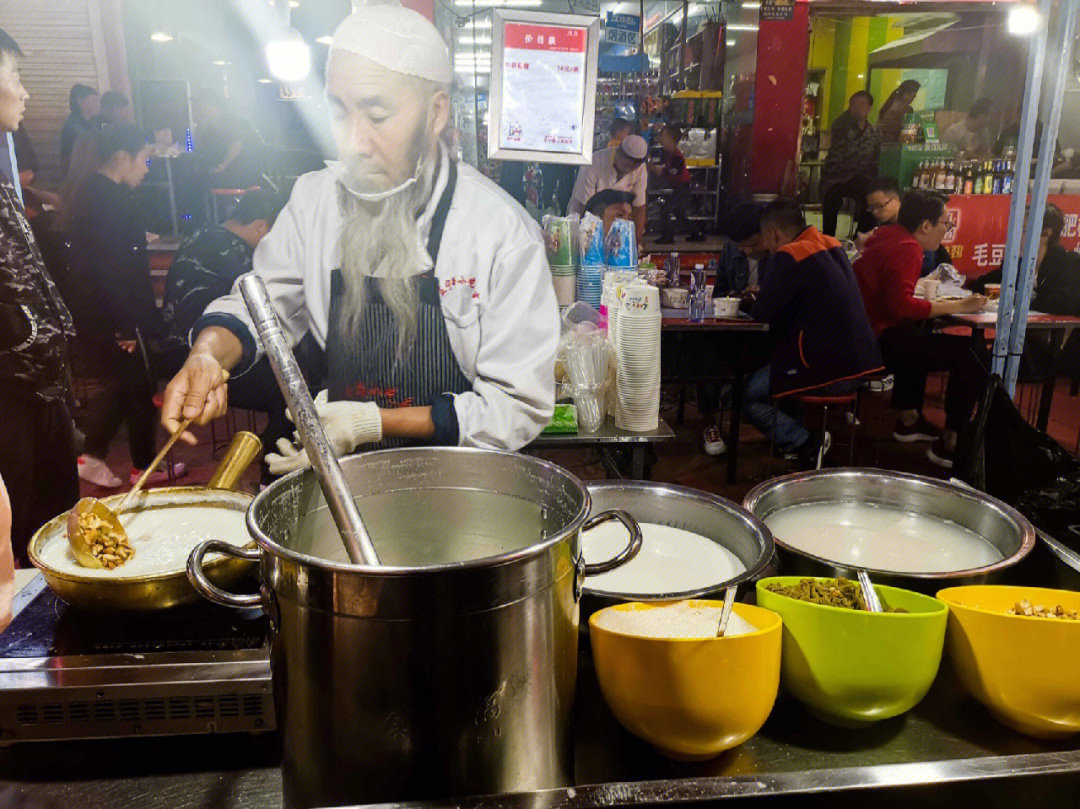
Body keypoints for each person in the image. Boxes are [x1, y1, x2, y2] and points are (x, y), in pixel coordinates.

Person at [160, 4, 559, 470]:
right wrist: (208, 355)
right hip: (347, 481)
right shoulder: (314, 203)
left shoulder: (499, 232)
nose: (354, 141)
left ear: (435, 113)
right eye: (339, 113)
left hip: (459, 489)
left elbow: (517, 408)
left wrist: (371, 424)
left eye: (376, 115)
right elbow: (259, 306)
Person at [0, 28, 80, 565]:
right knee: (18, 536)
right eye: (16, 75)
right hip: (10, 388)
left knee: (52, 527)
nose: (25, 92)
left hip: (39, 385)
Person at [63, 123, 178, 488]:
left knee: (124, 386)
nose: (146, 168)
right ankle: (143, 468)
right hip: (116, 316)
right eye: (143, 160)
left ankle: (96, 455)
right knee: (138, 386)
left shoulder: (93, 195)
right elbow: (113, 270)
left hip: (105, 315)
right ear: (122, 158)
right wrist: (127, 326)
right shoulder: (108, 201)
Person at [741, 199, 883, 465]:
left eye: (767, 241)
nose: (768, 249)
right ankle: (793, 442)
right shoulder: (832, 244)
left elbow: (761, 316)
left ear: (775, 234)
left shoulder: (790, 254)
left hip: (825, 370)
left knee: (744, 394)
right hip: (860, 365)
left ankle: (805, 441)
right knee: (779, 371)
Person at [852, 190, 987, 469]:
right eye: (945, 224)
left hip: (863, 335)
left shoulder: (887, 235)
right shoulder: (908, 247)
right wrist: (961, 306)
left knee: (919, 336)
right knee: (969, 353)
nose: (946, 231)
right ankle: (952, 441)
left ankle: (909, 420)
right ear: (926, 225)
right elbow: (900, 306)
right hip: (878, 342)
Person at [970, 203, 1080, 375]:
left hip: (1048, 345)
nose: (1017, 236)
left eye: (1023, 230)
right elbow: (983, 285)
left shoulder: (1069, 263)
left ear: (1046, 233)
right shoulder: (1018, 262)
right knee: (973, 355)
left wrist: (1017, 298)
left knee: (980, 361)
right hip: (1016, 338)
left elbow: (1060, 303)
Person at [698, 200, 769, 456]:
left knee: (745, 385)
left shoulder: (780, 255)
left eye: (750, 244)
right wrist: (738, 295)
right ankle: (709, 423)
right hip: (733, 326)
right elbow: (719, 293)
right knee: (707, 352)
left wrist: (763, 295)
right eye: (740, 245)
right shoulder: (732, 249)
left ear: (768, 233)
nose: (744, 250)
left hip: (767, 334)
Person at [857, 176, 949, 274]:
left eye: (879, 206)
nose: (875, 212)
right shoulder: (883, 227)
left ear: (896, 199)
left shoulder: (911, 226)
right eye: (871, 208)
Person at [821, 91, 880, 238]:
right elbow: (847, 154)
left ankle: (860, 236)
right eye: (853, 104)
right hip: (837, 177)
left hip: (860, 178)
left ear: (869, 108)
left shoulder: (873, 131)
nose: (856, 108)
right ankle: (828, 240)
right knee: (831, 200)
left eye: (862, 104)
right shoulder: (841, 124)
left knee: (875, 196)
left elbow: (875, 154)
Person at [568, 134, 648, 239]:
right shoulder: (594, 162)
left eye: (633, 167)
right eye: (626, 165)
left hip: (616, 227)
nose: (628, 170)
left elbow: (639, 208)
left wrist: (636, 241)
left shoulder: (640, 168)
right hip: (584, 219)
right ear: (618, 152)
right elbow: (586, 208)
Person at [193, 91, 265, 191]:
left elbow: (236, 145)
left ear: (209, 104)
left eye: (200, 105)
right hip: (229, 170)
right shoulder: (210, 126)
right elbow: (199, 146)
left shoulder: (231, 121)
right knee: (197, 179)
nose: (197, 108)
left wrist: (222, 166)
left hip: (243, 171)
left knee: (198, 183)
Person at [650, 124, 701, 244]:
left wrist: (652, 167)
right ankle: (696, 233)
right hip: (680, 187)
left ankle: (668, 236)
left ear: (669, 138)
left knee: (665, 210)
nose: (660, 139)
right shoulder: (672, 154)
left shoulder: (676, 156)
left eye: (662, 135)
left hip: (682, 187)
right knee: (679, 212)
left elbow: (671, 172)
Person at [59, 83, 99, 177]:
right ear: (80, 101)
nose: (99, 105)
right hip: (78, 179)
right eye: (95, 100)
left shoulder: (91, 122)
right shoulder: (74, 125)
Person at [876, 79, 920, 144]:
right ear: (906, 94)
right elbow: (909, 134)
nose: (914, 98)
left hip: (882, 145)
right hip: (894, 146)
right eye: (914, 95)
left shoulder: (889, 103)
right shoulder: (906, 108)